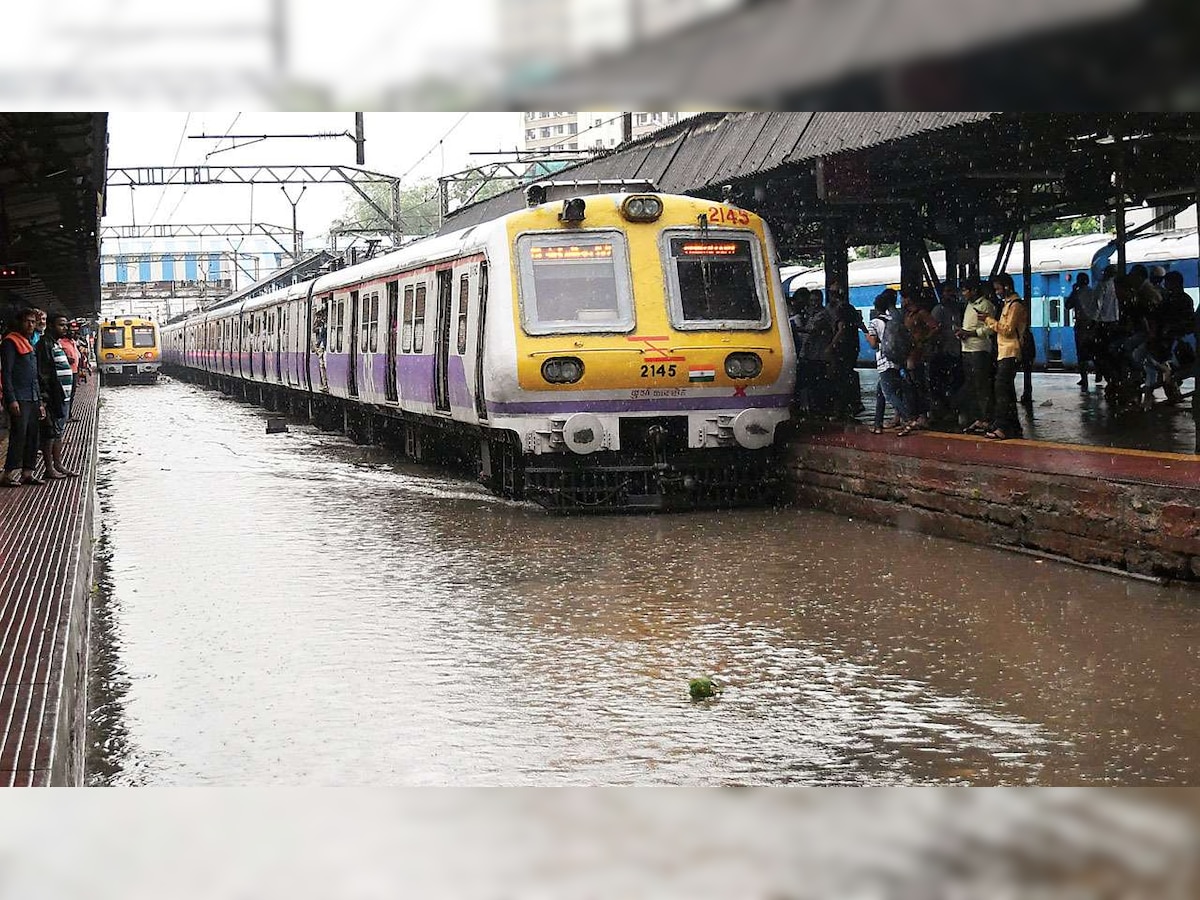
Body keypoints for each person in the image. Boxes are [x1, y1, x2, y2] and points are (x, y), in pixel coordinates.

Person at [2, 308, 46, 486]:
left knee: (32, 435)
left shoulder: (28, 342)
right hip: (20, 397)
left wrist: (40, 401)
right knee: (19, 435)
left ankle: (28, 472)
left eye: (33, 322)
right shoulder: (10, 342)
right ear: (19, 322)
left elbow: (34, 374)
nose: (30, 325)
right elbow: (6, 373)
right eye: (27, 321)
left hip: (33, 397)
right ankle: (8, 473)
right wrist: (11, 398)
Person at [983, 273, 1028, 440]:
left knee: (1001, 390)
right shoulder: (1008, 304)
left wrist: (989, 321)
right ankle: (1013, 426)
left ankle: (1002, 426)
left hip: (1011, 351)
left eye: (998, 289)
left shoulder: (1015, 306)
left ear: (1007, 287)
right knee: (1007, 391)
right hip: (1004, 352)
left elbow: (1008, 330)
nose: (997, 292)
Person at [36, 313, 78, 479]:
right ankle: (49, 468)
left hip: (62, 396)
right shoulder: (44, 345)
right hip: (53, 397)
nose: (65, 328)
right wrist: (44, 399)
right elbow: (43, 374)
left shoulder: (55, 344)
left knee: (58, 432)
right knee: (49, 433)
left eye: (66, 325)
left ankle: (58, 465)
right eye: (62, 325)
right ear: (51, 326)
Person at [865, 292, 911, 434]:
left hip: (883, 361)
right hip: (895, 359)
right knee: (881, 392)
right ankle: (877, 424)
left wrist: (867, 336)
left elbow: (873, 344)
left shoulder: (874, 322)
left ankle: (909, 419)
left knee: (889, 393)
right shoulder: (893, 320)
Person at [955, 280, 996, 434]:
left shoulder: (985, 305)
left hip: (979, 349)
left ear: (973, 290)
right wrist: (963, 332)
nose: (963, 294)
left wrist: (971, 333)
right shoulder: (968, 305)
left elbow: (990, 328)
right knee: (972, 384)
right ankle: (978, 417)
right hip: (967, 348)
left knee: (981, 385)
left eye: (965, 290)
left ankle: (986, 418)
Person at [929, 286, 963, 423]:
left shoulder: (955, 309)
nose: (951, 295)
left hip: (952, 351)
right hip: (944, 351)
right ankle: (945, 410)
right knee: (944, 383)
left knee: (950, 383)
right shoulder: (940, 310)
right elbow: (935, 330)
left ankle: (946, 410)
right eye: (948, 291)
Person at [1065, 273, 1098, 392]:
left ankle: (1084, 378)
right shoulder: (1093, 293)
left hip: (1081, 326)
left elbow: (1067, 305)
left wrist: (1074, 291)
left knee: (1081, 353)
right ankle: (1098, 372)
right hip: (1093, 326)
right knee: (1094, 351)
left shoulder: (1077, 294)